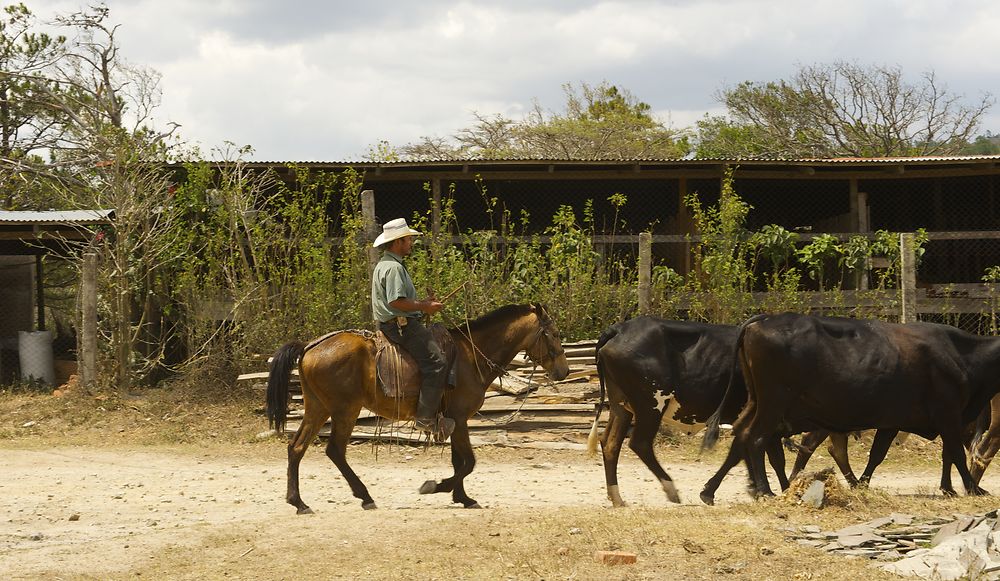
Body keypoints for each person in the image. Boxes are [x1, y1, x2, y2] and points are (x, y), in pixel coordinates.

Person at [371, 217, 455, 441]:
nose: (411, 243)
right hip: (401, 327)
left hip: (398, 323)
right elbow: (395, 302)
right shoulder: (394, 268)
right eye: (409, 239)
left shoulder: (387, 264)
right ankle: (425, 418)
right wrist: (425, 306)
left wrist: (421, 306)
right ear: (398, 242)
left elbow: (401, 302)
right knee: (437, 363)